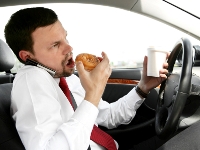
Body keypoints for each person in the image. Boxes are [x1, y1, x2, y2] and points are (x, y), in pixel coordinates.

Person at [4, 7, 169, 150]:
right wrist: (93, 93)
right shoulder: (31, 79)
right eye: (55, 45)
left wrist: (143, 87)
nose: (69, 47)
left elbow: (109, 116)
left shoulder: (64, 77)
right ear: (27, 56)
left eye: (65, 38)